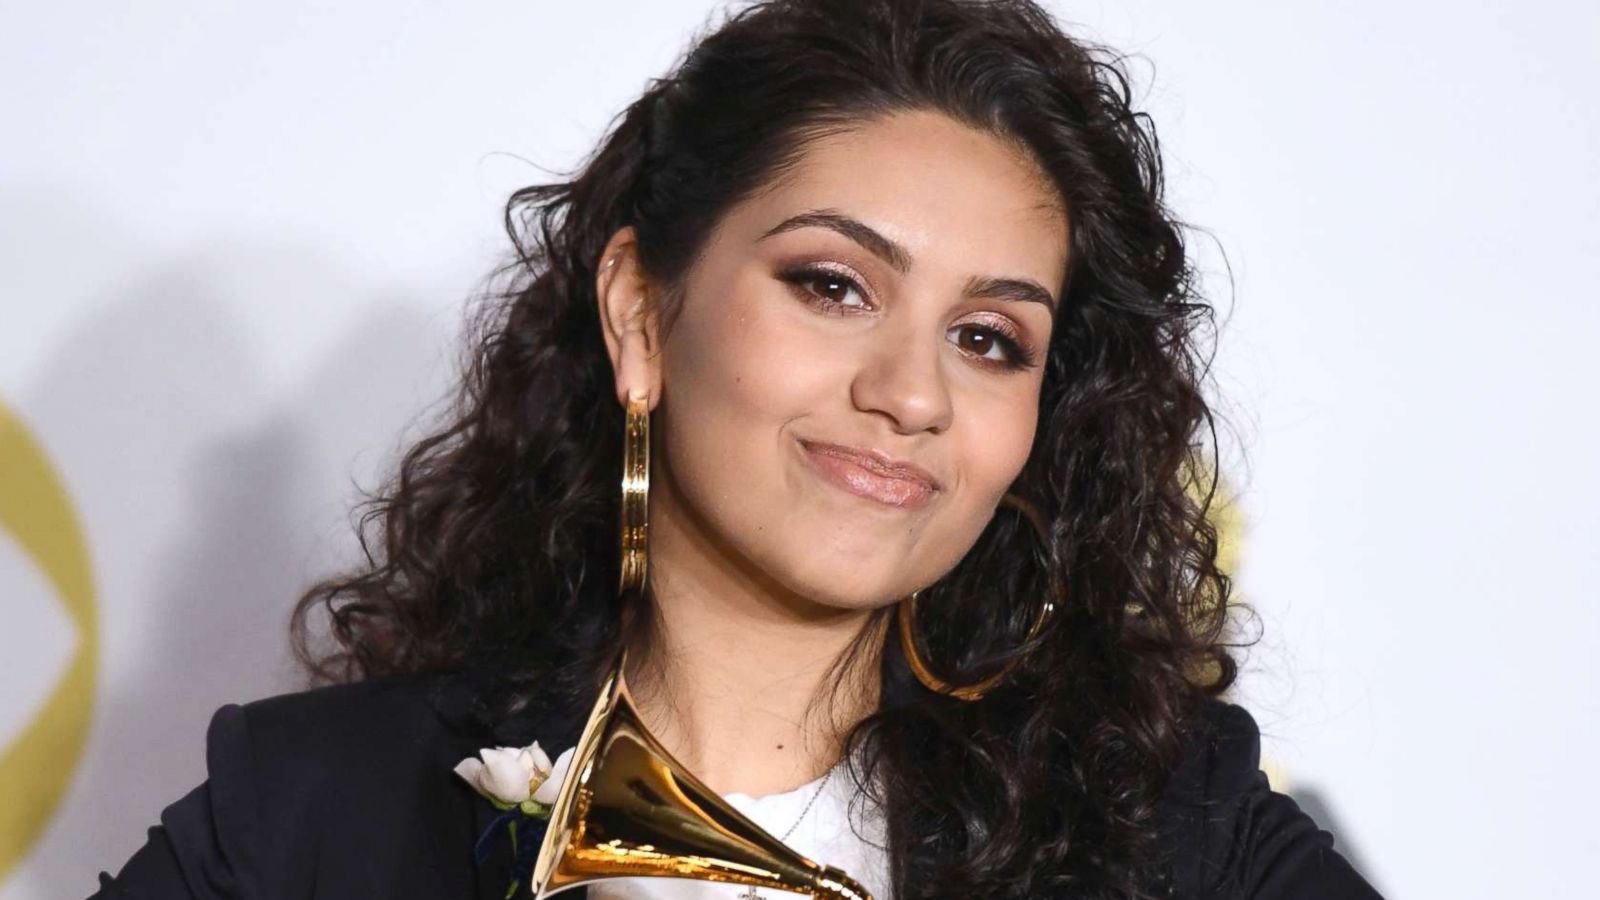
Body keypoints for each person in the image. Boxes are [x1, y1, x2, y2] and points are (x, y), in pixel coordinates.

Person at [88, 0, 1385, 897]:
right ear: (641, 315)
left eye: (991, 339)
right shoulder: (322, 812)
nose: (911, 392)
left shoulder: (1175, 828)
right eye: (832, 285)